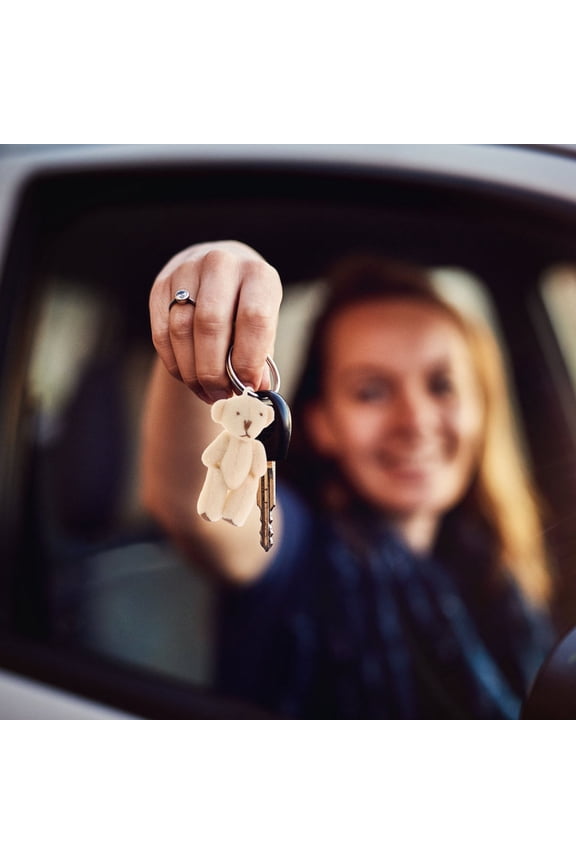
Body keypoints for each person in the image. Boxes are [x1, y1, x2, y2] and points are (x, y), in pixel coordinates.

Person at [141, 240, 555, 719]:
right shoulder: (297, 548)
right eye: (371, 391)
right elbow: (190, 507)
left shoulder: (498, 563)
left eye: (441, 385)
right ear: (320, 423)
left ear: (482, 405)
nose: (415, 420)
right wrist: (213, 272)